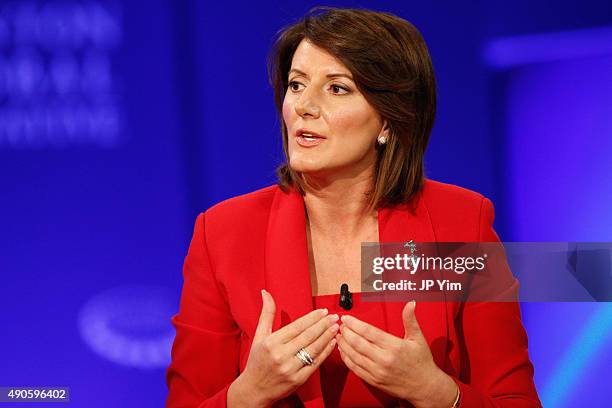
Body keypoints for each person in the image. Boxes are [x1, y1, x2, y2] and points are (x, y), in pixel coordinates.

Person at [166, 7, 541, 408]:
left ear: (388, 120)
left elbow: (514, 399)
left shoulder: (460, 222)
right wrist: (248, 394)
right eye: (296, 85)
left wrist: (435, 392)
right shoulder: (224, 233)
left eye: (337, 88)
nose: (303, 107)